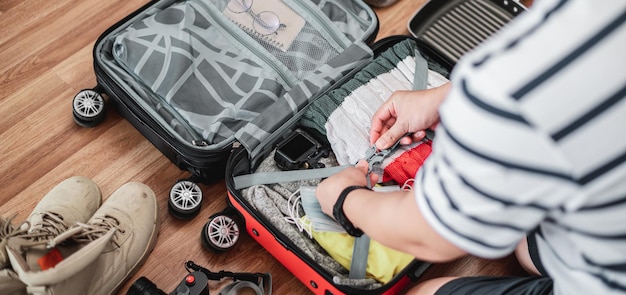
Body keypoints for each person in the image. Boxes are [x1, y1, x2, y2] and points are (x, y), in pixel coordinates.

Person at [315, 0, 626, 294]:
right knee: (525, 247)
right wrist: (451, 96)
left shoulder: (519, 83)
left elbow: (429, 235)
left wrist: (344, 199)